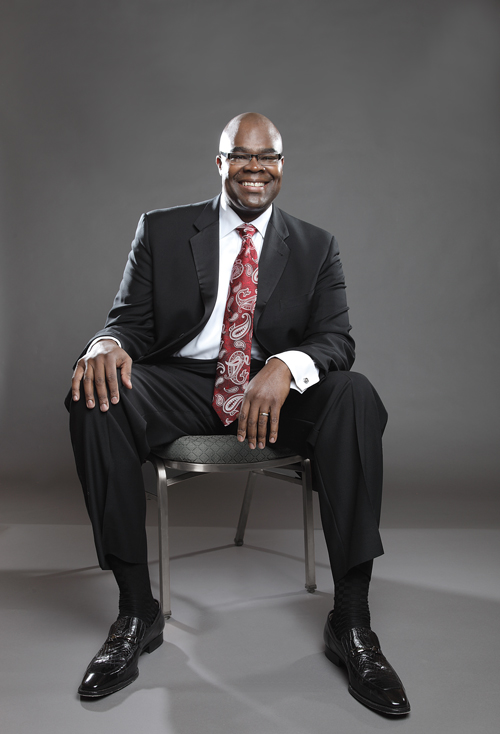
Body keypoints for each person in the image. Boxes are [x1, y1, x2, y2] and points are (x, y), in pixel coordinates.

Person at [67, 112, 410, 715]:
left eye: (267, 157)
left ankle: (352, 622)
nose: (256, 168)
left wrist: (283, 367)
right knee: (95, 396)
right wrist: (105, 346)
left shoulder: (316, 245)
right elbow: (129, 322)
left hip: (271, 392)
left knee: (354, 394)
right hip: (183, 381)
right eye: (242, 156)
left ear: (281, 165)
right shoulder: (162, 230)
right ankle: (136, 612)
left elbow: (336, 339)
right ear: (221, 163)